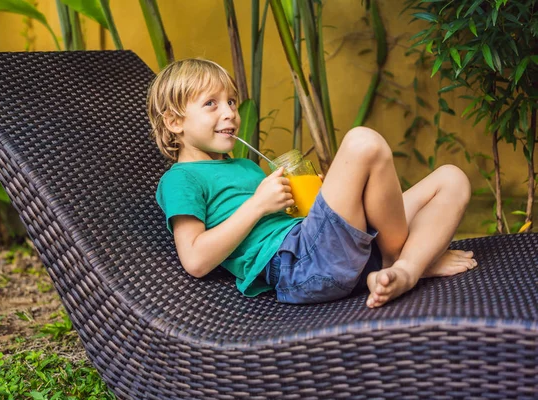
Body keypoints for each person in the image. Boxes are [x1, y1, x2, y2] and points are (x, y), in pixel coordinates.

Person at [147, 58, 477, 308]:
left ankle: (403, 269)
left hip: (322, 247)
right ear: (175, 121)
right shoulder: (181, 179)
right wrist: (259, 204)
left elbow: (290, 219)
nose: (230, 112)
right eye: (211, 104)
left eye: (231, 101)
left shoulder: (246, 167)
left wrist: (319, 197)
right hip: (298, 266)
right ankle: (405, 260)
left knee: (452, 178)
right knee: (363, 143)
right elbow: (195, 261)